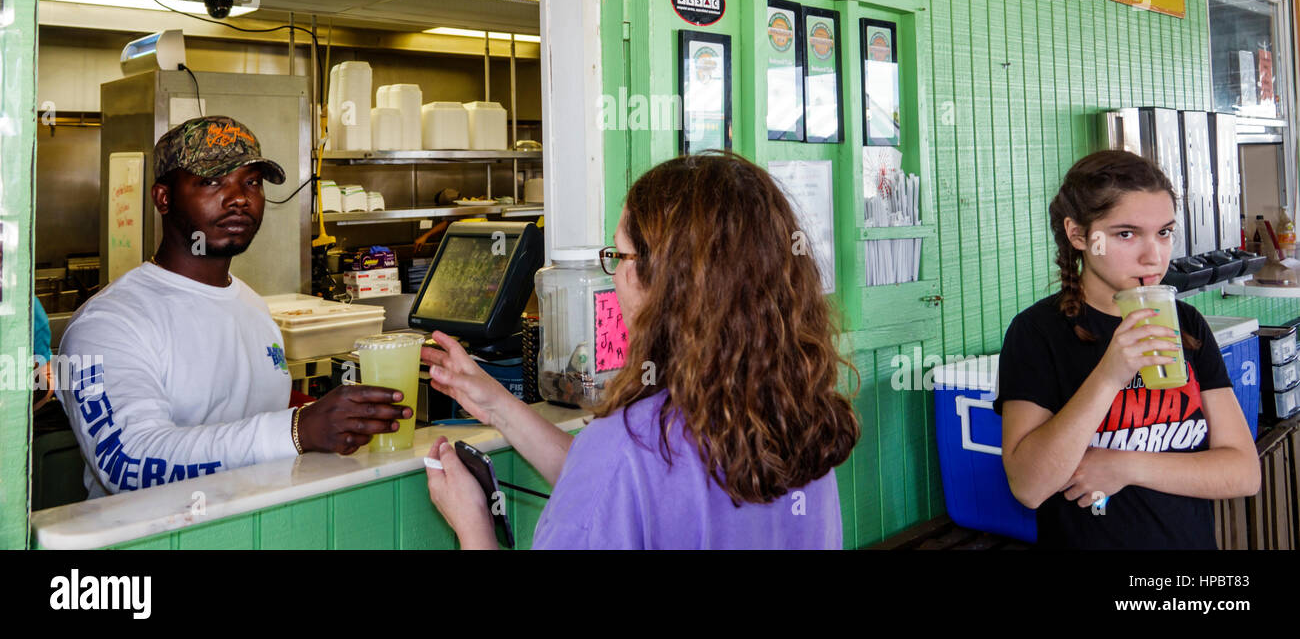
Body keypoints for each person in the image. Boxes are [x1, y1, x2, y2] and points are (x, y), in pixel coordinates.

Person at [422, 151, 861, 549]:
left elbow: (615, 481)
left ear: (667, 283)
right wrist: (496, 405)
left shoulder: (624, 449)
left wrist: (474, 525)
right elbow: (623, 493)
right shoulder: (796, 422)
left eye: (619, 255)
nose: (613, 273)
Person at [58, 115, 411, 497]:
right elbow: (127, 463)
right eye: (211, 181)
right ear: (163, 198)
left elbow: (246, 414)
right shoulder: (107, 324)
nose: (239, 197)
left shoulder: (253, 307)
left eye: (251, 182)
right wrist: (298, 428)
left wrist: (332, 417)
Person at [996, 149, 1260, 548]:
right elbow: (1030, 487)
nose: (1154, 256)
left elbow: (1243, 473)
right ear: (1078, 234)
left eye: (1164, 232)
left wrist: (1125, 466)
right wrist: (1109, 374)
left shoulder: (1186, 323)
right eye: (1126, 234)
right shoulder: (1037, 332)